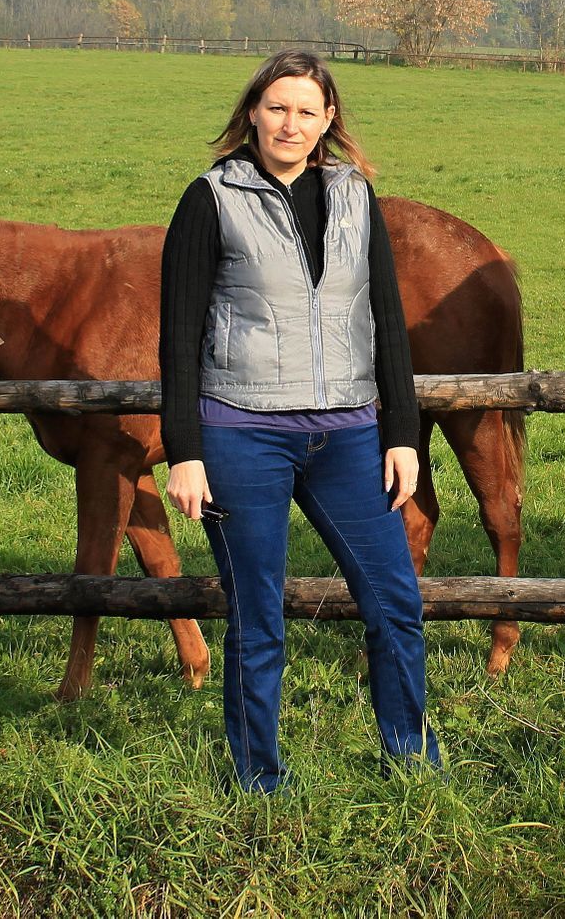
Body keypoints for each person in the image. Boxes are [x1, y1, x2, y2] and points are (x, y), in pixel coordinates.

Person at [160, 49, 440, 793]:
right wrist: (184, 452)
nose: (290, 123)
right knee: (258, 619)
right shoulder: (211, 197)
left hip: (349, 435)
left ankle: (410, 757)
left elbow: (387, 320)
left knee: (395, 602)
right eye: (277, 107)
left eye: (306, 111)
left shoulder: (356, 196)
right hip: (239, 432)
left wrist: (403, 435)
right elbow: (178, 334)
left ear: (329, 120)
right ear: (252, 111)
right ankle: (259, 779)